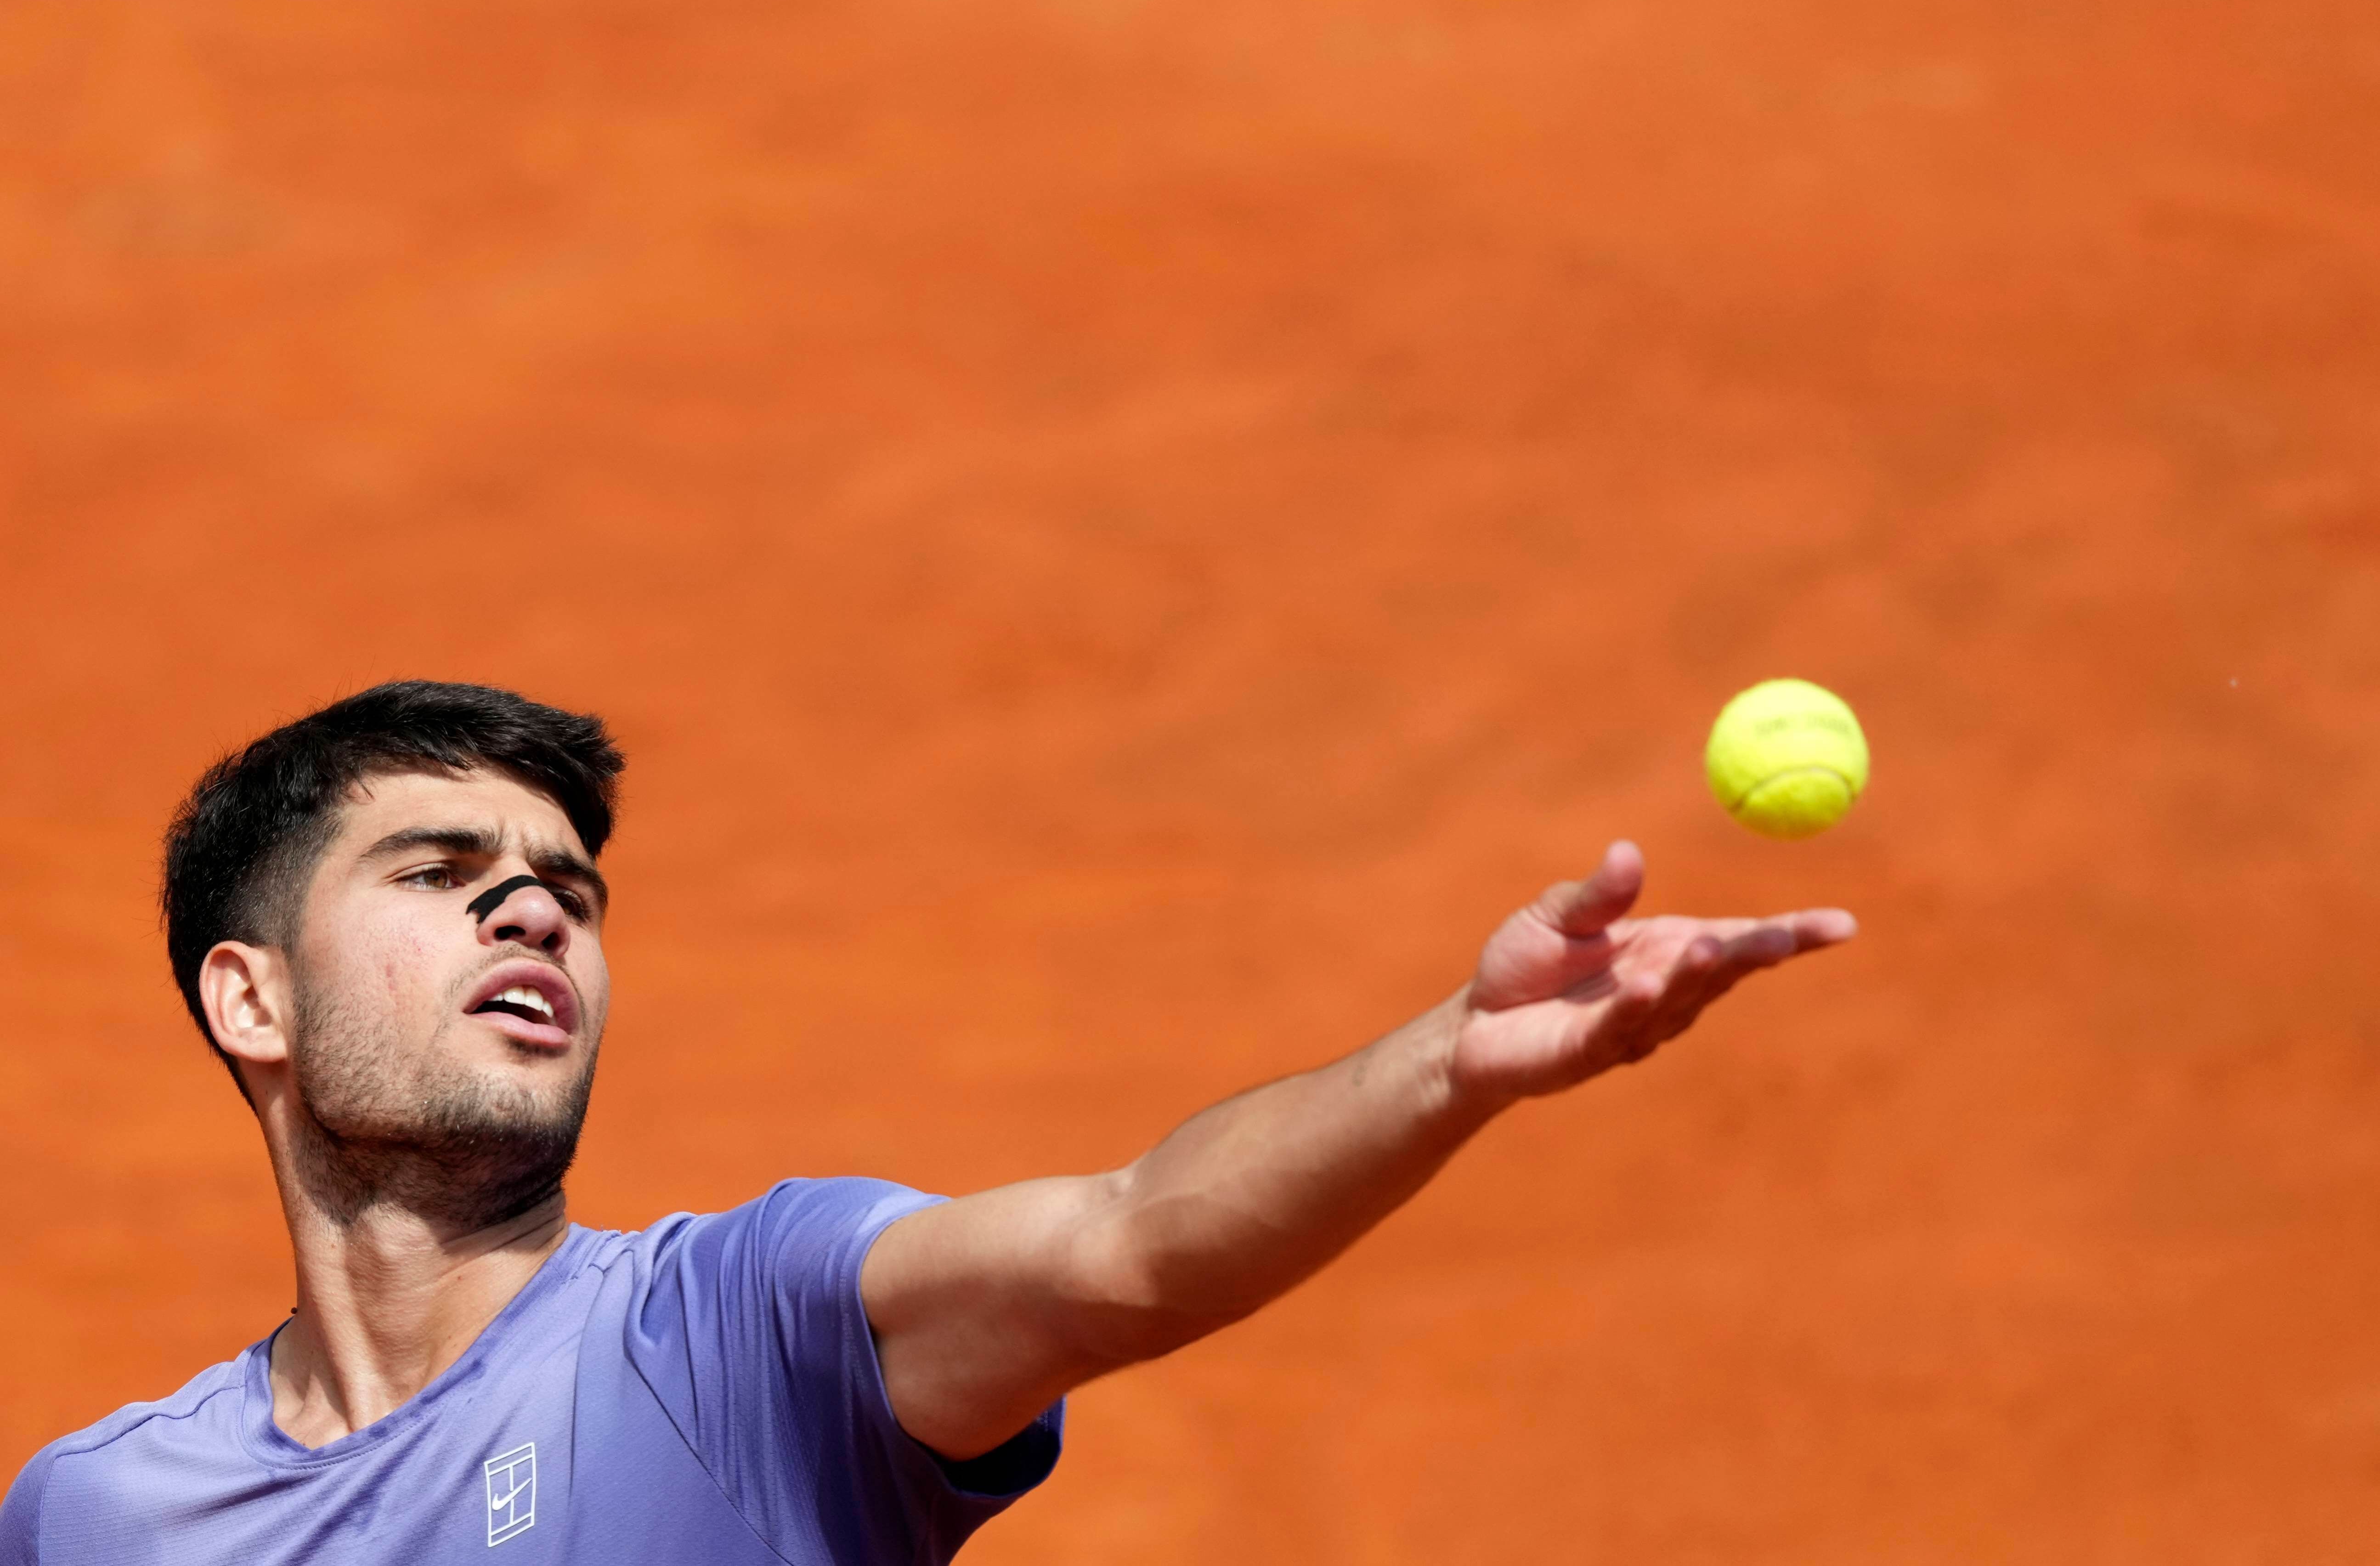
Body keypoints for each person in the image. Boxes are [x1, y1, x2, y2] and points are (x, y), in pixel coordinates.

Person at [0, 680, 1855, 1564]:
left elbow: (1130, 1244)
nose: (532, 912)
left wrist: (1450, 1060)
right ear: (251, 1000)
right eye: (439, 871)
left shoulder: (737, 1339)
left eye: (568, 891)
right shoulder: (101, 1519)